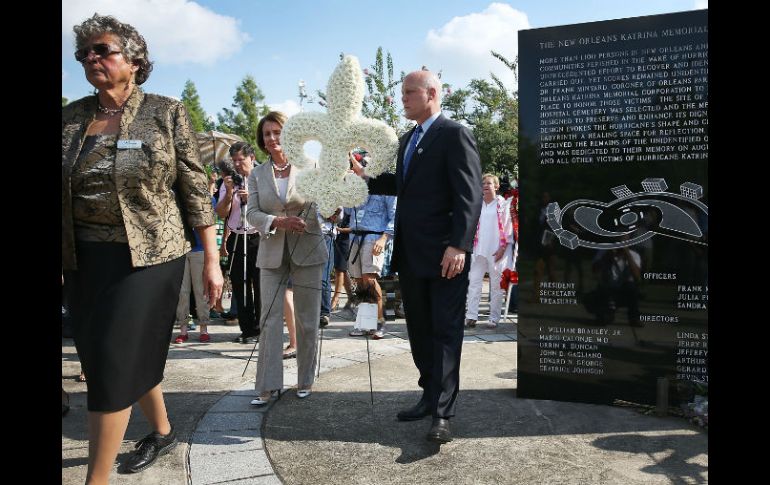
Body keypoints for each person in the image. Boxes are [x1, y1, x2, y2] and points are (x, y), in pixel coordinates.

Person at [62, 14, 223, 483]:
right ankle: (163, 431)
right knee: (110, 353)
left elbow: (195, 187)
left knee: (111, 365)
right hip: (84, 257)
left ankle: (96, 480)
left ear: (133, 60)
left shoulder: (165, 111)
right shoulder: (71, 117)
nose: (91, 59)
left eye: (102, 50)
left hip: (150, 255)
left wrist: (211, 260)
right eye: (84, 53)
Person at [351, 69, 481, 443]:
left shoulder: (454, 134)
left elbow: (468, 193)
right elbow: (404, 185)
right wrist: (365, 177)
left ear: (432, 93)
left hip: (445, 255)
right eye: (403, 92)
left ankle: (443, 412)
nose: (403, 98)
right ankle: (428, 395)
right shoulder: (409, 138)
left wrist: (459, 244)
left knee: (444, 331)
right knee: (420, 330)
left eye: (410, 92)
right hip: (411, 254)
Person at [246, 111, 328, 405]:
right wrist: (278, 222)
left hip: (307, 247)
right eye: (267, 134)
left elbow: (328, 205)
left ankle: (305, 379)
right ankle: (268, 385)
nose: (272, 139)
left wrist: (334, 208)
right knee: (268, 319)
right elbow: (252, 213)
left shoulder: (311, 166)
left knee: (307, 319)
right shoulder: (255, 174)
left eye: (277, 132)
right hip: (270, 250)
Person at [215, 142, 261, 344]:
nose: (237, 164)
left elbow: (273, 207)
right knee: (239, 285)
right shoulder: (229, 181)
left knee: (261, 285)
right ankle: (247, 330)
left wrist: (252, 199)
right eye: (234, 161)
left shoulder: (262, 178)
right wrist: (228, 192)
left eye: (241, 160)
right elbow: (221, 212)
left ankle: (261, 328)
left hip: (258, 237)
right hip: (236, 236)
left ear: (251, 158)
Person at [345, 177, 397, 339]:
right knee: (359, 281)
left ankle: (380, 321)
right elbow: (346, 211)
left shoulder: (385, 183)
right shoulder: (355, 184)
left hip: (373, 237)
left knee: (370, 280)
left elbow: (395, 214)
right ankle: (365, 323)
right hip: (355, 236)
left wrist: (384, 238)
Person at [464, 174, 513, 329]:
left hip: (497, 250)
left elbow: (508, 228)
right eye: (483, 183)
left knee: (496, 286)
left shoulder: (503, 204)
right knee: (474, 283)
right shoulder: (476, 204)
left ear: (496, 186)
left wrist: (502, 248)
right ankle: (471, 316)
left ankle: (494, 317)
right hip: (478, 250)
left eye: (489, 183)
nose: (485, 185)